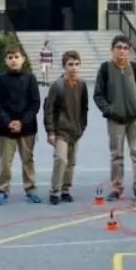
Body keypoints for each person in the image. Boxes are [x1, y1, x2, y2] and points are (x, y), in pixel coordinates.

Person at [93, 35, 136, 203]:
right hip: (116, 119)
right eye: (118, 47)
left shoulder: (134, 67)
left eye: (125, 48)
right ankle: (117, 188)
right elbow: (98, 95)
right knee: (116, 155)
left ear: (129, 51)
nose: (122, 51)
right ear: (112, 49)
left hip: (135, 118)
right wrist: (109, 110)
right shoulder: (105, 69)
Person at [0, 45, 42, 205]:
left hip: (27, 127)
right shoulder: (0, 80)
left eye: (16, 57)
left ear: (23, 59)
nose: (13, 60)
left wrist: (22, 121)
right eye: (10, 58)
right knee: (5, 161)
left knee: (28, 159)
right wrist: (8, 122)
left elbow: (35, 103)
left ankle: (31, 188)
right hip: (6, 129)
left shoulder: (30, 78)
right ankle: (2, 190)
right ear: (6, 61)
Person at [43, 50, 89, 204]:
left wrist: (82, 126)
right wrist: (50, 131)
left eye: (76, 64)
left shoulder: (82, 85)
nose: (74, 67)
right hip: (61, 130)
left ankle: (66, 190)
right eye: (70, 64)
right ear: (64, 66)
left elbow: (84, 108)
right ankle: (55, 191)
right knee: (60, 159)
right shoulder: (57, 85)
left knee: (71, 162)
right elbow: (48, 109)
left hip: (75, 130)